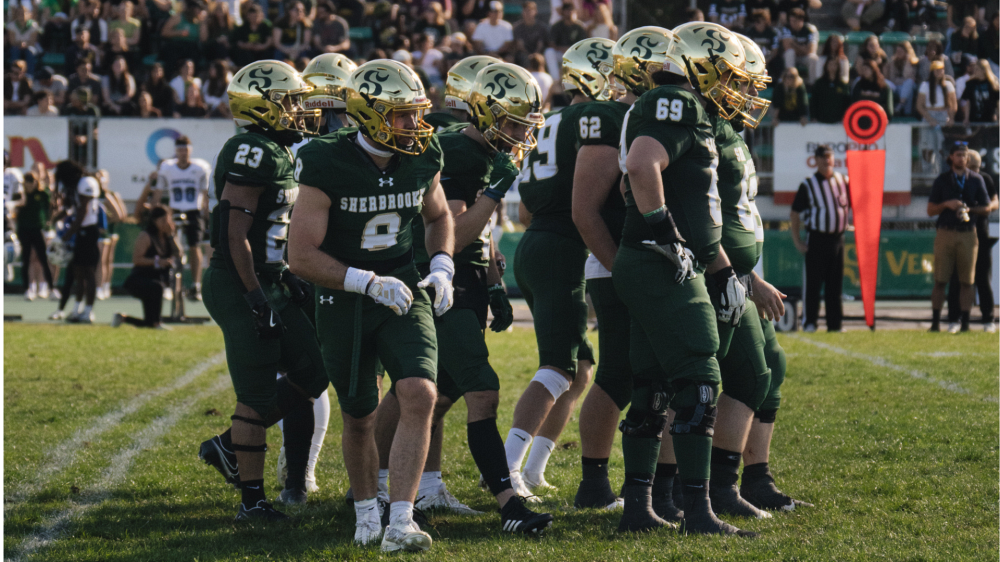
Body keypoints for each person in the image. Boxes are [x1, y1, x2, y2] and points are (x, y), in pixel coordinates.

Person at [370, 62, 554, 532]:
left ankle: (392, 485)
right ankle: (509, 504)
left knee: (435, 392)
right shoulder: (459, 152)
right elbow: (451, 235)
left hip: (466, 280)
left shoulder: (482, 151)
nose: (523, 134)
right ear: (487, 115)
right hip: (438, 280)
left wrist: (492, 281)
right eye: (516, 123)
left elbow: (480, 234)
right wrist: (496, 190)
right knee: (481, 391)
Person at [287, 59, 454, 551]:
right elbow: (301, 255)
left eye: (417, 112)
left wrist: (442, 264)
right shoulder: (326, 159)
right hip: (343, 294)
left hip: (402, 285)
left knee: (420, 393)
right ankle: (366, 513)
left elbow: (439, 215)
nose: (415, 124)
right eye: (403, 114)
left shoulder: (424, 152)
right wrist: (364, 281)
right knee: (359, 415)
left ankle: (401, 520)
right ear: (369, 114)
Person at [615, 21, 752, 536]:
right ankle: (697, 511)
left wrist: (721, 268)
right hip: (660, 261)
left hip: (660, 259)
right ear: (700, 67)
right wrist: (665, 233)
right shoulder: (677, 102)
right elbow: (640, 166)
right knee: (700, 378)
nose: (732, 86)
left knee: (653, 385)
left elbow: (694, 207)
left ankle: (639, 508)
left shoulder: (687, 107)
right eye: (727, 74)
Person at [197, 60, 329, 522]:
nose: (299, 110)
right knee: (254, 394)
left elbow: (273, 229)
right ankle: (251, 501)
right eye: (290, 102)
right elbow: (234, 234)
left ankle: (228, 445)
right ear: (263, 106)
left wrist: (284, 273)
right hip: (239, 282)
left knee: (313, 370)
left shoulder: (277, 149)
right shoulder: (251, 149)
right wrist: (255, 298)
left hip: (269, 279)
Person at [507, 38, 621, 503]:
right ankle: (506, 470)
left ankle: (534, 468)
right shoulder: (595, 118)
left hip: (537, 241)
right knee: (556, 368)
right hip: (560, 248)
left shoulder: (548, 120)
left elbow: (524, 210)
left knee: (581, 369)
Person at [565, 32, 653, 517]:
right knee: (619, 374)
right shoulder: (610, 116)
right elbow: (584, 209)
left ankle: (654, 486)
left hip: (648, 263)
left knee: (652, 375)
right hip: (617, 260)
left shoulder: (655, 114)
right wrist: (621, 268)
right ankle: (594, 482)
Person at [733, 34, 811, 513]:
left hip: (739, 270)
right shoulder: (694, 130)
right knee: (721, 376)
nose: (751, 93)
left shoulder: (728, 134)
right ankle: (690, 485)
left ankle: (755, 477)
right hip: (711, 271)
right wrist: (747, 278)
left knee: (769, 365)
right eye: (742, 81)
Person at [927, 142, 991, 333]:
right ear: (951, 157)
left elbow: (987, 207)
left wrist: (971, 209)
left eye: (964, 156)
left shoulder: (976, 180)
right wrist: (946, 204)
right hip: (946, 231)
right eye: (958, 155)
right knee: (941, 279)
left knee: (967, 280)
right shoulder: (942, 180)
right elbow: (930, 210)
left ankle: (965, 322)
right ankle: (936, 322)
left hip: (968, 233)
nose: (961, 159)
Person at [790, 145, 850, 332]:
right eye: (823, 157)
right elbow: (795, 214)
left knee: (835, 285)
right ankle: (810, 322)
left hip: (837, 240)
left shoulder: (843, 181)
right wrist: (797, 240)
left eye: (829, 157)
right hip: (817, 239)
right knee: (813, 284)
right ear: (815, 160)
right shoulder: (808, 184)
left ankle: (835, 325)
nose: (826, 161)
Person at [155, 136, 212, 301]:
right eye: (180, 149)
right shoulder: (167, 167)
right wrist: (155, 209)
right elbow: (158, 190)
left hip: (194, 210)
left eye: (186, 149)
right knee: (169, 246)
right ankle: (167, 284)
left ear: (190, 150)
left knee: (195, 246)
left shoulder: (200, 167)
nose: (183, 153)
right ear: (175, 151)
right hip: (174, 210)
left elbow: (205, 192)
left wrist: (206, 212)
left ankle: (196, 285)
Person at [947, 150, 998, 332]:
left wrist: (986, 207)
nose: (975, 171)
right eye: (972, 167)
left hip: (980, 233)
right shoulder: (955, 180)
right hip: (960, 232)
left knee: (983, 277)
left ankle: (988, 319)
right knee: (956, 278)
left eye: (977, 167)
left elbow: (995, 201)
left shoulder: (984, 179)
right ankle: (955, 318)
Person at [112, 206, 178, 329]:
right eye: (163, 220)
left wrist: (172, 236)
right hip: (139, 280)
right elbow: (137, 259)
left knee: (149, 322)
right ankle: (157, 323)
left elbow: (179, 254)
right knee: (157, 287)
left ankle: (122, 318)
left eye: (168, 220)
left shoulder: (167, 237)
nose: (166, 224)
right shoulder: (146, 236)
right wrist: (157, 262)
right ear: (154, 221)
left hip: (156, 280)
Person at [53, 160, 103, 324]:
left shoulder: (86, 182)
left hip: (88, 231)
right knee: (78, 272)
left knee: (88, 272)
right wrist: (55, 218)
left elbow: (82, 213)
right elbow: (71, 209)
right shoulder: (76, 186)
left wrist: (66, 236)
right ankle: (77, 309)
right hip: (81, 232)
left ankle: (88, 310)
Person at [17, 171, 54, 300]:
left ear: (36, 182)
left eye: (31, 181)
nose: (29, 184)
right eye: (27, 181)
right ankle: (28, 289)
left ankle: (51, 288)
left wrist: (49, 221)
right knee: (26, 259)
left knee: (43, 258)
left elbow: (51, 207)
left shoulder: (42, 194)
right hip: (24, 229)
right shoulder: (21, 194)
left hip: (37, 230)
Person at [916, 60, 957, 171]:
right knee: (927, 147)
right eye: (936, 70)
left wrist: (951, 118)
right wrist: (930, 119)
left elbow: (953, 104)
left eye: (941, 70)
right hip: (929, 114)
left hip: (943, 115)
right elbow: (920, 105)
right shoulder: (925, 85)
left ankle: (942, 170)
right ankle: (927, 171)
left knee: (941, 147)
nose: (939, 72)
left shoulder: (948, 85)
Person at [160, 0, 208, 75]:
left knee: (195, 56)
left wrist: (203, 23)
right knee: (172, 56)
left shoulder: (199, 21)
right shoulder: (179, 17)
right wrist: (178, 33)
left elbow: (203, 39)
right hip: (176, 44)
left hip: (192, 46)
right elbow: (164, 32)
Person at [545, 2, 588, 79]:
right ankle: (556, 79)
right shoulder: (556, 26)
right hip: (560, 52)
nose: (569, 13)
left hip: (574, 53)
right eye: (567, 10)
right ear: (563, 12)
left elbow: (583, 44)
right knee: (549, 52)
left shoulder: (580, 27)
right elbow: (551, 43)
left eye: (571, 10)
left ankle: (579, 79)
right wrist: (561, 49)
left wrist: (570, 50)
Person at [780, 8, 819, 84]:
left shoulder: (810, 29)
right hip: (793, 56)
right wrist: (803, 48)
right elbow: (787, 47)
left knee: (813, 58)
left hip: (805, 57)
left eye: (794, 21)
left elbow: (811, 50)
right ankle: (790, 81)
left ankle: (813, 84)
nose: (792, 23)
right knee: (789, 53)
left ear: (801, 20)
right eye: (791, 21)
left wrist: (794, 44)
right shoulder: (787, 28)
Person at [231, 4, 274, 68]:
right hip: (248, 52)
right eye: (253, 16)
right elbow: (238, 42)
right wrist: (246, 45)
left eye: (256, 16)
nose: (255, 19)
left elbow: (269, 40)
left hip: (262, 51)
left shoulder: (265, 27)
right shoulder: (242, 28)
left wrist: (262, 46)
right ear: (248, 16)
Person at [810, 56, 850, 123]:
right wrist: (813, 117)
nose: (832, 67)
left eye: (835, 65)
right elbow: (814, 101)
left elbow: (847, 102)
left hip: (838, 121)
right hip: (821, 120)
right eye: (830, 64)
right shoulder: (819, 83)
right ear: (826, 66)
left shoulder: (842, 84)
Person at [884, 40, 918, 116]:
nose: (898, 53)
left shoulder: (913, 62)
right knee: (908, 91)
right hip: (898, 85)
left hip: (910, 85)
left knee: (909, 83)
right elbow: (892, 79)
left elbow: (908, 76)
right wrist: (901, 81)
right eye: (897, 51)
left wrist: (907, 61)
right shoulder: (893, 61)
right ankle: (906, 112)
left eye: (901, 51)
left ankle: (901, 106)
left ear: (906, 52)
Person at [960, 59, 999, 124]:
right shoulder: (970, 83)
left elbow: (998, 102)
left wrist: (998, 117)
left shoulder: (993, 84)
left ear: (984, 70)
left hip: (990, 118)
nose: (975, 71)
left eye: (977, 69)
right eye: (975, 69)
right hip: (974, 119)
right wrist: (966, 118)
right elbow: (967, 101)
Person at [6, 6, 42, 75]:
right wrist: (20, 44)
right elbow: (12, 42)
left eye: (23, 13)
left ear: (29, 14)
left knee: (30, 52)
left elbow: (33, 41)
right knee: (14, 51)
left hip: (29, 47)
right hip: (16, 46)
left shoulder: (33, 25)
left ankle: (29, 75)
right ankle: (15, 74)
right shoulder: (11, 26)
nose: (21, 15)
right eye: (19, 13)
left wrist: (25, 45)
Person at [512, 1, 547, 65]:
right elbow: (520, 45)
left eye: (529, 10)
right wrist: (529, 55)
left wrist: (535, 54)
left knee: (540, 58)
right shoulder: (517, 27)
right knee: (523, 57)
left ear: (535, 11)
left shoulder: (541, 27)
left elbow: (540, 44)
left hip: (538, 53)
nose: (527, 13)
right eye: (525, 10)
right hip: (523, 54)